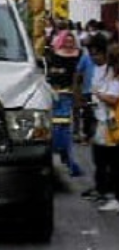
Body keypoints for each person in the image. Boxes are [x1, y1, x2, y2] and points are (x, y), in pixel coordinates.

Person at [46, 31, 83, 178]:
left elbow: (82, 74)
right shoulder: (55, 54)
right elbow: (50, 73)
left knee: (66, 127)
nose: (69, 43)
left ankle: (67, 158)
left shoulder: (79, 55)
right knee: (58, 126)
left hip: (71, 94)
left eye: (71, 40)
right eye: (66, 40)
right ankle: (65, 157)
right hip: (56, 94)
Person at [89, 41, 119, 212]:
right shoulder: (111, 75)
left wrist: (98, 94)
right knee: (103, 157)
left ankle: (114, 196)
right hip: (106, 121)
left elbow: (113, 99)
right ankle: (106, 190)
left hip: (112, 123)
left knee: (112, 160)